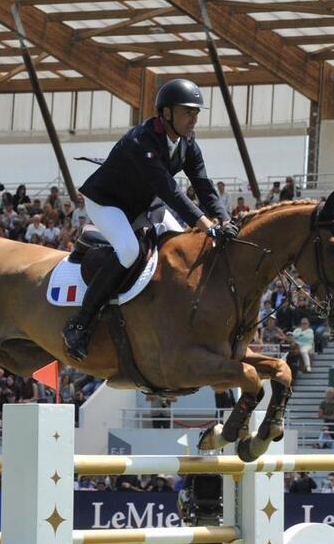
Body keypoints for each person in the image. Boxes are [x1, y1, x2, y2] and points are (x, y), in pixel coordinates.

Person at [62, 79, 234, 361]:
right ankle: (80, 323)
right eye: (187, 112)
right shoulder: (141, 140)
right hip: (109, 202)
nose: (194, 119)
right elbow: (171, 190)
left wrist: (225, 220)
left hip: (144, 202)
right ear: (166, 113)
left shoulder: (187, 143)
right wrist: (207, 225)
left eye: (196, 113)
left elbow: (203, 183)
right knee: (129, 251)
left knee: (183, 247)